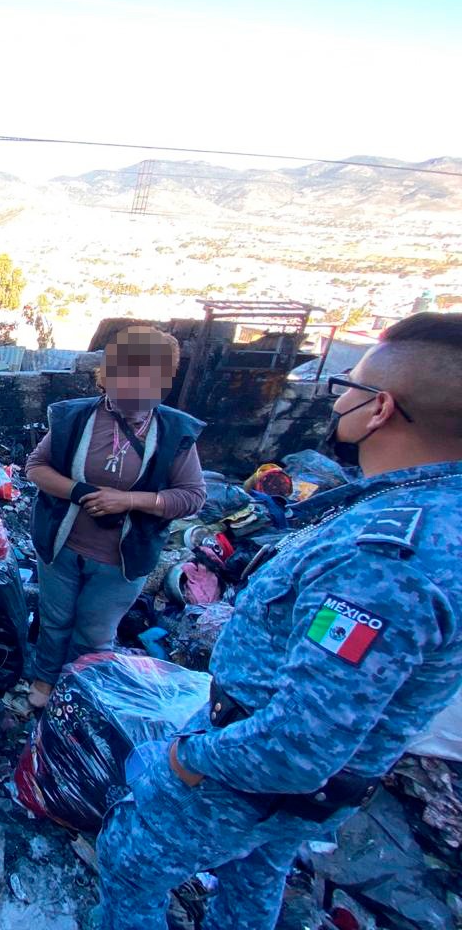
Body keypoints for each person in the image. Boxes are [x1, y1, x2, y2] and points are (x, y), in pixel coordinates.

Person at [94, 311, 462, 930]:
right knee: (253, 876)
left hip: (250, 774)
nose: (338, 395)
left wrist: (189, 760)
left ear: (382, 410)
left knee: (131, 861)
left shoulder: (386, 557)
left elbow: (300, 743)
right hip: (303, 788)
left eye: (351, 384)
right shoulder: (431, 517)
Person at [25, 325, 206, 707]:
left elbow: (191, 497)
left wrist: (129, 501)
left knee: (93, 633)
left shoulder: (174, 432)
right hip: (61, 545)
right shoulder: (75, 419)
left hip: (122, 560)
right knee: (54, 621)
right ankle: (43, 684)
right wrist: (81, 492)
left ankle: (79, 697)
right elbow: (35, 467)